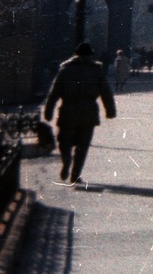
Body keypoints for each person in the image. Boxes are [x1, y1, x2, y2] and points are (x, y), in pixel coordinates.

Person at [42, 42, 117, 187]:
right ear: (90, 55)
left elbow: (54, 91)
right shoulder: (96, 70)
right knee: (83, 146)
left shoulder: (65, 69)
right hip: (88, 112)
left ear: (76, 54)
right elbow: (105, 92)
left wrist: (48, 110)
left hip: (67, 110)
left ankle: (66, 160)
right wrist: (110, 110)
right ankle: (75, 175)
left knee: (64, 140)